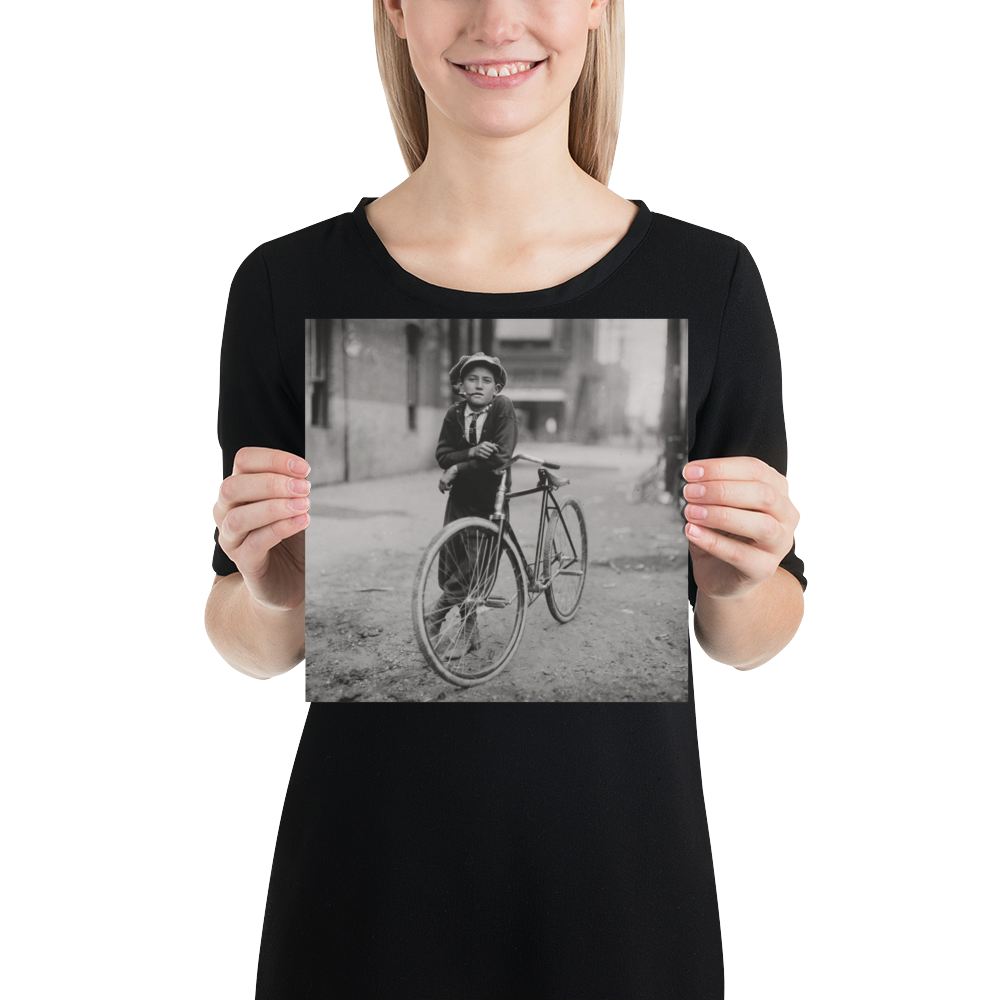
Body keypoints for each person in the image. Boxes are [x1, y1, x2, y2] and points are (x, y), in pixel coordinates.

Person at [207, 1, 807, 994]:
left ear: (601, 8)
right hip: (363, 910)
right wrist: (269, 588)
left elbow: (753, 637)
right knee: (461, 560)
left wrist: (738, 578)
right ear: (395, 11)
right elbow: (251, 646)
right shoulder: (279, 282)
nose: (497, 17)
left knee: (509, 530)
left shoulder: (715, 278)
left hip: (622, 911)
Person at [427, 353, 518, 658]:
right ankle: (472, 633)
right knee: (452, 560)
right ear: (460, 385)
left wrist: (458, 467)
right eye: (472, 379)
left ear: (497, 387)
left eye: (487, 380)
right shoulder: (455, 414)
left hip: (491, 497)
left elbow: (501, 456)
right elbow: (442, 454)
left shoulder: (502, 408)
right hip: (460, 499)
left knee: (477, 566)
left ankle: (440, 615)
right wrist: (472, 452)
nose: (479, 385)